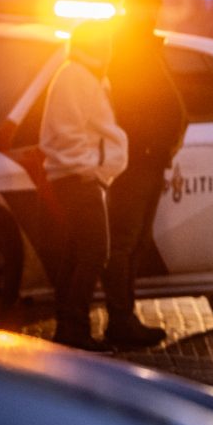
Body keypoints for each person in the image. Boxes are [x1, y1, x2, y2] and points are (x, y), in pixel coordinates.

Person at [100, 0, 189, 348]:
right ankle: (120, 320)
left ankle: (125, 317)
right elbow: (130, 103)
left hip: (149, 157)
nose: (155, 12)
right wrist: (149, 142)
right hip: (135, 159)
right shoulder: (125, 45)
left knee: (134, 242)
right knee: (123, 242)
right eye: (150, 5)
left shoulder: (142, 44)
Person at [40, 20, 128, 351]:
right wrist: (87, 168)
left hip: (79, 175)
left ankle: (69, 325)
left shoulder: (83, 75)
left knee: (78, 251)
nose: (110, 49)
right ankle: (73, 328)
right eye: (105, 42)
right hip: (78, 177)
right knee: (94, 251)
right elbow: (68, 131)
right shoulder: (76, 76)